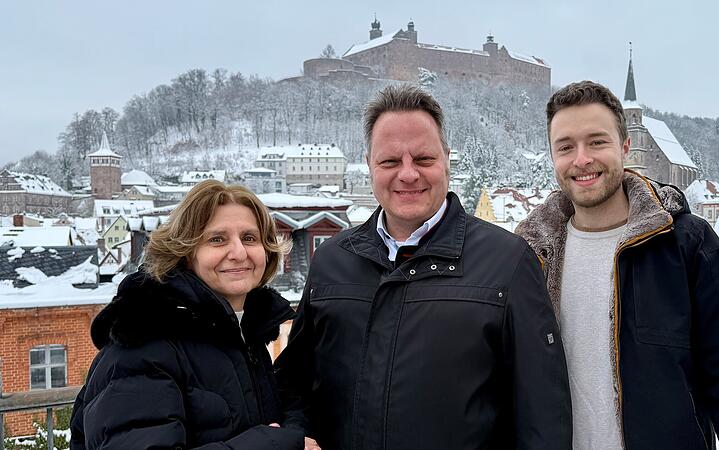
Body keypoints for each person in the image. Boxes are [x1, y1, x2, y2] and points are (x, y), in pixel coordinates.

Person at [275, 84, 571, 450]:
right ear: (369, 164)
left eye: (424, 159)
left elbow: (542, 413)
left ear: (447, 159)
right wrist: (296, 435)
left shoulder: (508, 261)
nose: (408, 174)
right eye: (390, 162)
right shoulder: (333, 260)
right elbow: (294, 385)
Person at [515, 80, 719, 449]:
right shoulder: (530, 255)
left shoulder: (688, 244)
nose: (582, 159)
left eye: (597, 142)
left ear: (625, 146)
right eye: (566, 147)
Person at [70, 180, 304, 449]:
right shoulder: (143, 345)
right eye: (217, 239)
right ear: (184, 252)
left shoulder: (242, 334)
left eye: (249, 238)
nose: (239, 253)